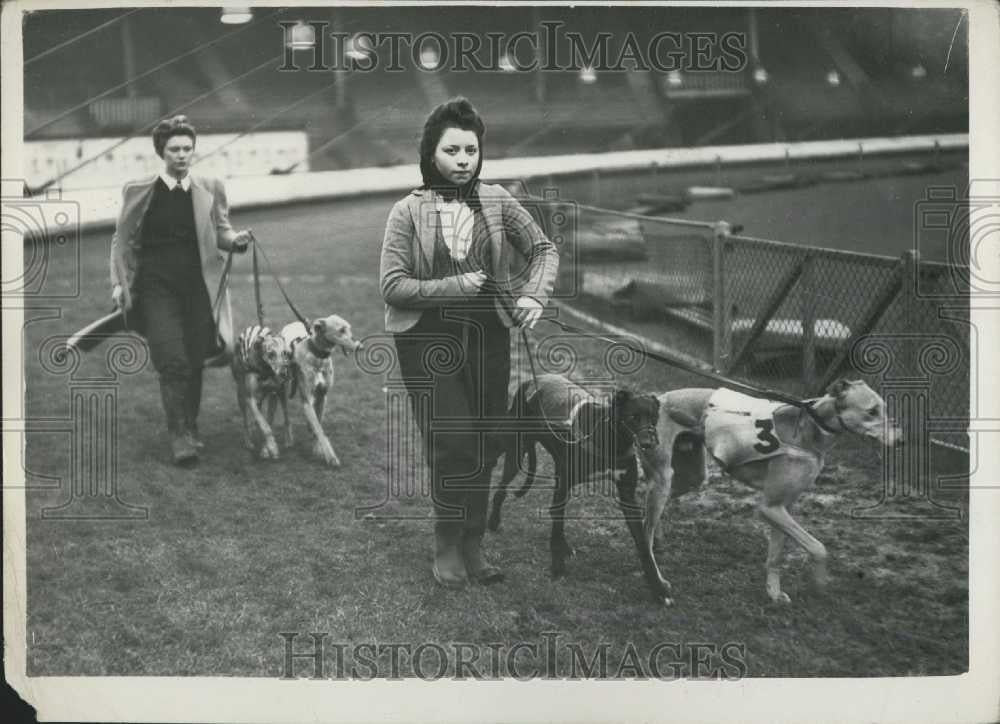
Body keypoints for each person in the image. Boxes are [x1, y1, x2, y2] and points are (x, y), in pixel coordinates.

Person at [379, 97, 560, 588]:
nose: (463, 160)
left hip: (489, 335)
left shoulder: (499, 200)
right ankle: (447, 540)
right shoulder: (406, 211)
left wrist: (535, 297)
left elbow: (544, 248)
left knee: (485, 440)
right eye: (452, 150)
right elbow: (392, 285)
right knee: (452, 440)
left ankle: (474, 541)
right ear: (430, 154)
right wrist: (451, 288)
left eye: (471, 150)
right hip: (425, 340)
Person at [109, 115, 251, 466]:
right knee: (171, 359)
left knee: (194, 358)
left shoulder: (211, 186)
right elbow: (122, 240)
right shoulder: (137, 190)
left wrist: (236, 241)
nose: (183, 155)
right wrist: (118, 282)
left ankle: (190, 423)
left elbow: (221, 229)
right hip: (155, 285)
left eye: (188, 148)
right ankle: (179, 436)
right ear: (162, 152)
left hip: (198, 286)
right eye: (175, 149)